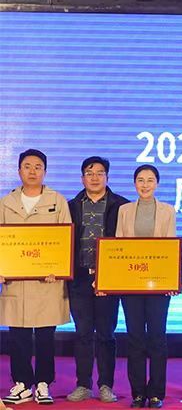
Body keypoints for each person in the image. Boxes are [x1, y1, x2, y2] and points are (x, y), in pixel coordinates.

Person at [0, 149, 72, 406]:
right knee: (17, 335)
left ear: (45, 171)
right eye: (27, 166)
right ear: (19, 170)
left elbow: (65, 239)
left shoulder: (57, 201)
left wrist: (59, 267)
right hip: (15, 282)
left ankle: (43, 383)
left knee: (45, 336)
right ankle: (21, 384)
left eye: (38, 166)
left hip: (47, 281)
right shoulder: (5, 203)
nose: (32, 171)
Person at [66, 156, 129, 403]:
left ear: (107, 177)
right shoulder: (70, 206)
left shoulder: (121, 206)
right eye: (89, 173)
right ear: (82, 178)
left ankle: (106, 385)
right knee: (82, 333)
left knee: (106, 334)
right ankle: (83, 384)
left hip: (108, 279)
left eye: (100, 173)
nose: (94, 177)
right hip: (80, 277)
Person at [115, 165, 177, 409]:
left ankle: (156, 393)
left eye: (150, 180)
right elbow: (118, 247)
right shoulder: (124, 210)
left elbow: (170, 247)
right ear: (134, 183)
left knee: (157, 338)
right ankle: (138, 393)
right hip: (131, 284)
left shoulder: (167, 211)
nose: (145, 184)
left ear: (157, 184)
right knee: (135, 339)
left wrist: (172, 280)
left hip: (158, 285)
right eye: (140, 180)